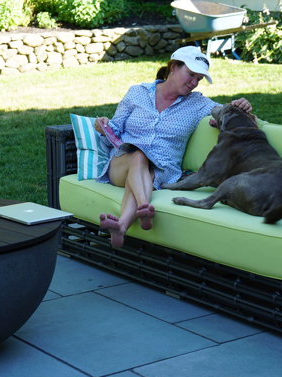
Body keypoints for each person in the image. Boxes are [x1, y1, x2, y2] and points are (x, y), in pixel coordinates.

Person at [94, 46, 253, 248]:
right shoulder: (137, 93)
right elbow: (114, 130)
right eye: (191, 74)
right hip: (121, 163)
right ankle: (144, 207)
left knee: (141, 171)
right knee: (138, 156)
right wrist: (102, 126)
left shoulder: (198, 103)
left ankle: (122, 226)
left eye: (199, 79)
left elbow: (228, 113)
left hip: (162, 171)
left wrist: (242, 107)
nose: (194, 82)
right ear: (173, 68)